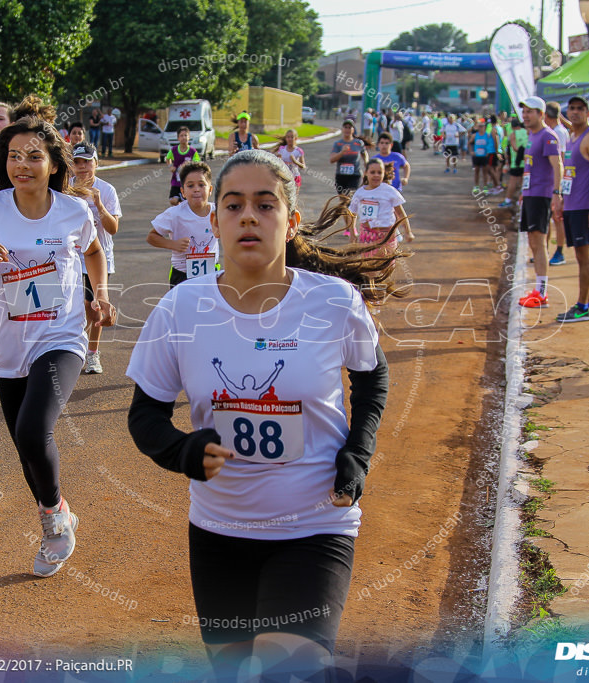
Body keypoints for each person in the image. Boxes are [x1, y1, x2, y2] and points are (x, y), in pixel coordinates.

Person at [126, 149, 399, 682]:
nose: (248, 216)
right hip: (219, 528)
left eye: (264, 204)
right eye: (233, 205)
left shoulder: (334, 302)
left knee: (285, 670)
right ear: (214, 221)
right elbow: (145, 416)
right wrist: (182, 450)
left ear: (290, 220)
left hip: (315, 523)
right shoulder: (180, 309)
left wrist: (357, 453)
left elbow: (372, 377)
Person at [0, 116, 117, 578]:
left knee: (33, 428)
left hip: (62, 336)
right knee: (25, 446)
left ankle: (57, 525)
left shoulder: (73, 211)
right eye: (14, 156)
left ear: (54, 162)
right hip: (10, 345)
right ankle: (54, 510)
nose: (23, 165)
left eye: (34, 156)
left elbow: (94, 252)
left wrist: (99, 295)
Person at [70, 142, 122, 375]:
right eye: (77, 162)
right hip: (71, 256)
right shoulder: (64, 189)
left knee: (95, 307)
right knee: (76, 305)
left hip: (99, 257)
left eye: (87, 162)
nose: (82, 168)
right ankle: (73, 347)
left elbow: (113, 228)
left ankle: (92, 354)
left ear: (96, 164)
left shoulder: (107, 190)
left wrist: (98, 204)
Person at [556, 95, 589, 323]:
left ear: (588, 112)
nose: (575, 112)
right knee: (578, 255)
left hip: (585, 206)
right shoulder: (572, 136)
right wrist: (562, 199)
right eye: (572, 108)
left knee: (584, 255)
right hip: (572, 204)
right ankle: (585, 303)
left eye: (580, 109)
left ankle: (583, 306)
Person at [517, 96, 563, 309]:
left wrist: (556, 193)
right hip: (530, 194)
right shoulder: (532, 136)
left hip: (541, 194)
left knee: (539, 240)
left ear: (541, 114)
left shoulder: (548, 136)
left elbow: (557, 165)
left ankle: (542, 292)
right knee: (533, 241)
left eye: (530, 111)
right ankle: (538, 288)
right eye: (524, 111)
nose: (525, 115)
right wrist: (523, 192)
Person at [148, 161, 217, 288]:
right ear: (183, 191)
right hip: (182, 275)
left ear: (210, 189)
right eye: (190, 186)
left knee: (210, 307)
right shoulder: (175, 214)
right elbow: (152, 237)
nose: (196, 189)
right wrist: (172, 244)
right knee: (182, 307)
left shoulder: (218, 212)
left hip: (211, 274)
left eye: (202, 185)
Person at [349, 158, 414, 257]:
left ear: (384, 174)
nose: (376, 175)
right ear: (366, 173)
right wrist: (352, 232)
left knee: (386, 266)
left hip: (387, 235)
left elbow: (401, 213)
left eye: (379, 172)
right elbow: (352, 213)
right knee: (368, 266)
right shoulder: (360, 193)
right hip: (367, 235)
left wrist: (408, 232)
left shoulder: (390, 191)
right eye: (372, 172)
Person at [544, 102, 572, 266]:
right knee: (549, 218)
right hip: (553, 180)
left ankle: (559, 251)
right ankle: (545, 250)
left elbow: (560, 159)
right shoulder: (556, 131)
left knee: (557, 217)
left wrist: (557, 187)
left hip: (558, 181)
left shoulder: (558, 133)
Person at [330, 119, 368, 196]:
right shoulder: (338, 144)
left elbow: (365, 153)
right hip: (341, 176)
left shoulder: (358, 143)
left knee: (350, 196)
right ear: (342, 129)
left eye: (349, 127)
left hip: (355, 175)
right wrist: (342, 152)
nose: (347, 129)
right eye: (345, 127)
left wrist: (366, 163)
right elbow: (332, 160)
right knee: (343, 198)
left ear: (353, 130)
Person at [166, 126, 201, 206]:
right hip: (176, 181)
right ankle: (180, 199)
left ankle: (182, 201)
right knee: (173, 201)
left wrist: (188, 164)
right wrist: (171, 166)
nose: (184, 137)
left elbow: (197, 163)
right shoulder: (174, 150)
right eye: (181, 136)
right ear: (178, 138)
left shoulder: (192, 151)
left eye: (186, 135)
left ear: (189, 137)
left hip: (188, 182)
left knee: (187, 203)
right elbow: (168, 159)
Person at [471, 120, 495, 193]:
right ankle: (476, 186)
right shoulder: (475, 135)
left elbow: (491, 144)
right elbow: (469, 143)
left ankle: (485, 187)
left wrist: (488, 152)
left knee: (485, 172)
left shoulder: (487, 135)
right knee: (477, 171)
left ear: (484, 127)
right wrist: (471, 151)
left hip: (484, 156)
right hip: (477, 156)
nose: (481, 128)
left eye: (482, 126)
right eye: (479, 126)